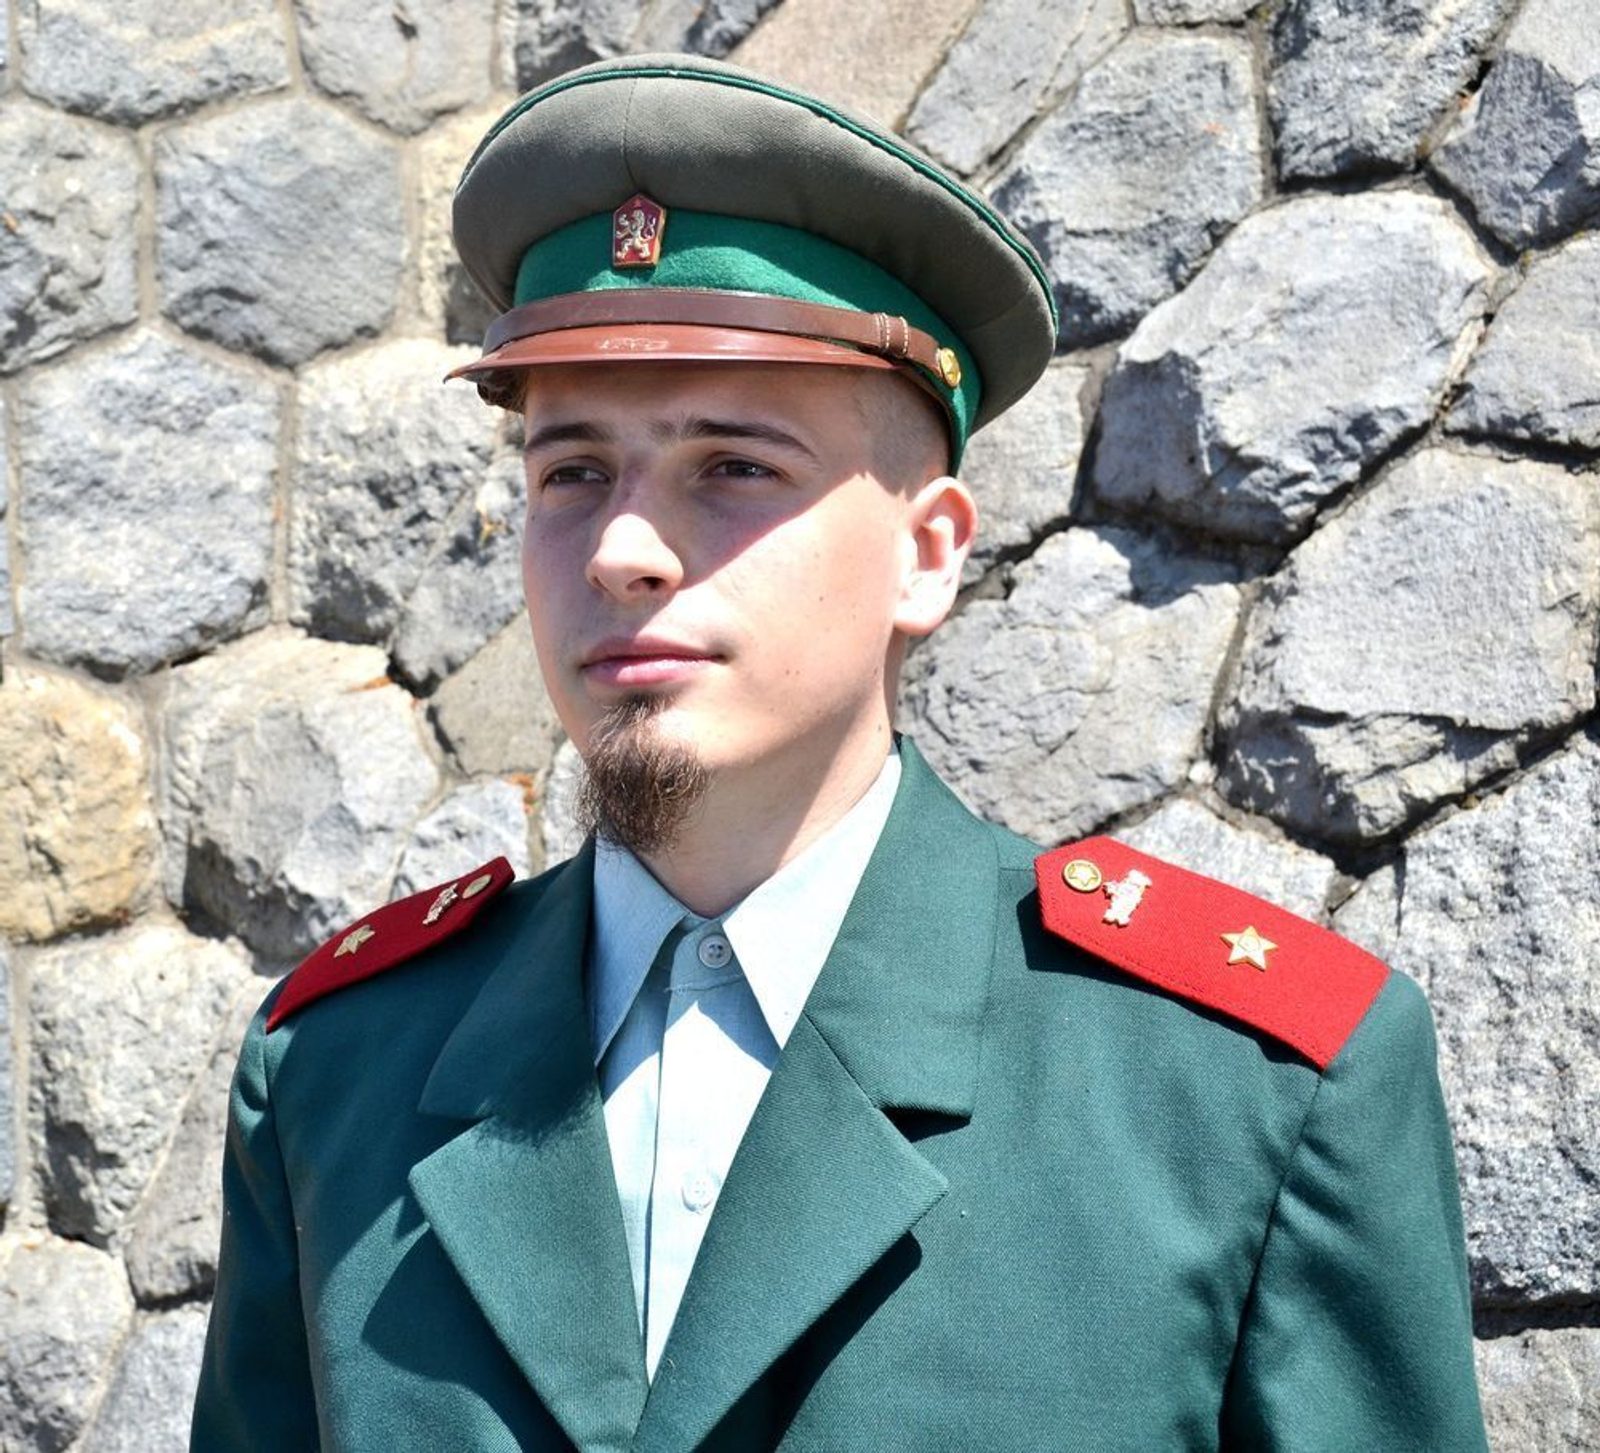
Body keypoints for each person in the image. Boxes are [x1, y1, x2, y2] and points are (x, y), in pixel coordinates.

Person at [191, 53, 1488, 1452]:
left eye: (732, 466)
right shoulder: (336, 1079)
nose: (621, 550)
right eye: (572, 471)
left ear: (926, 556)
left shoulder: (1239, 1090)